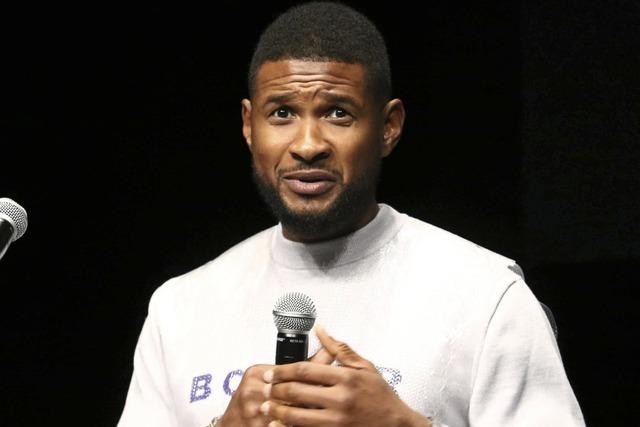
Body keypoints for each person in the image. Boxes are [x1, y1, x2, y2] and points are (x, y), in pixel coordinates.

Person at [118, 2, 585, 426]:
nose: (307, 145)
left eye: (338, 113)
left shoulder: (485, 296)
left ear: (388, 127)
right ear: (248, 125)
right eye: (282, 113)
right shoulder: (180, 308)